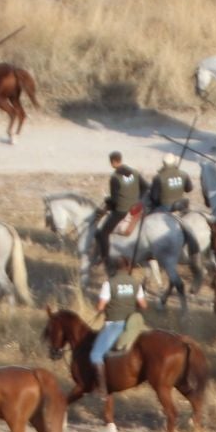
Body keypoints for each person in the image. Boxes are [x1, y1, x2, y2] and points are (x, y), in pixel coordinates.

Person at [91, 257, 147, 386]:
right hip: (132, 324)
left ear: (115, 268)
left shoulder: (109, 283)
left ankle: (102, 388)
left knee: (95, 354)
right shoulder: (135, 283)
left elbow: (100, 306)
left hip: (114, 324)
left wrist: (98, 307)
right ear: (128, 268)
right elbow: (143, 305)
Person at [97, 151, 143, 267]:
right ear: (121, 160)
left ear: (113, 162)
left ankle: (105, 259)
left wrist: (107, 202)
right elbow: (145, 187)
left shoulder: (115, 177)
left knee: (103, 233)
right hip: (137, 207)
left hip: (122, 210)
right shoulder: (135, 172)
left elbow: (115, 200)